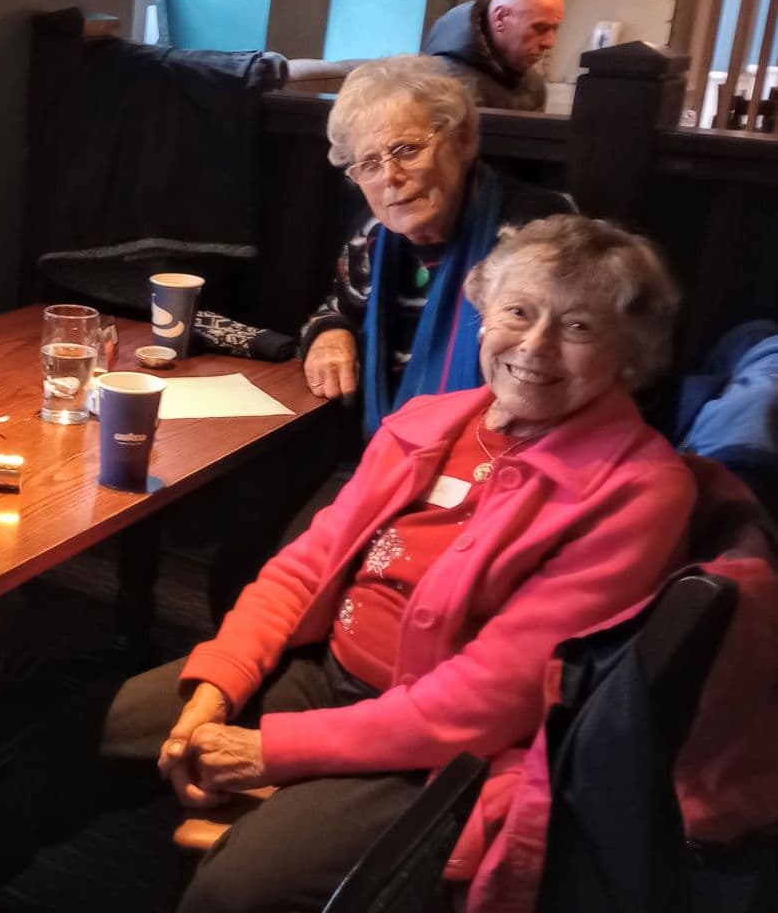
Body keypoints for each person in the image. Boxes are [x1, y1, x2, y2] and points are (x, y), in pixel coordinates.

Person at [141, 215, 694, 911]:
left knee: (237, 888)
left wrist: (271, 751)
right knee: (100, 729)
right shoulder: (430, 422)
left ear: (631, 355)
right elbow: (301, 568)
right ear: (483, 316)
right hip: (325, 673)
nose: (534, 345)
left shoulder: (636, 491)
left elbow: (486, 702)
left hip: (439, 750)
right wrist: (217, 688)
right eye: (516, 312)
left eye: (578, 328)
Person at [301, 55, 571, 437]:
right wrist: (330, 335)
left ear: (462, 141)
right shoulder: (371, 233)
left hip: (503, 462)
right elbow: (340, 306)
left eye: (407, 150)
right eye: (370, 163)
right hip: (383, 457)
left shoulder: (537, 235)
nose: (390, 177)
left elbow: (570, 368)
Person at [423, 0, 565, 111]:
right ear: (500, 18)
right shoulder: (442, 83)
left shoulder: (534, 87)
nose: (549, 43)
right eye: (540, 28)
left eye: (555, 29)